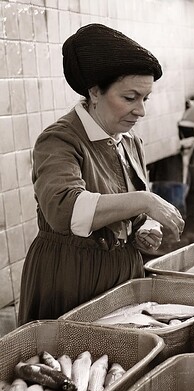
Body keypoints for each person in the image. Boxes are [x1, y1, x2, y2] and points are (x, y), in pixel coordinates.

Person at [18, 24, 185, 325]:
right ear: (95, 91)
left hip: (123, 277)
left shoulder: (130, 141)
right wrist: (144, 202)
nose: (140, 111)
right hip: (72, 277)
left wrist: (144, 227)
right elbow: (64, 211)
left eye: (145, 99)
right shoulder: (60, 139)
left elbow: (128, 208)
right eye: (130, 97)